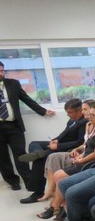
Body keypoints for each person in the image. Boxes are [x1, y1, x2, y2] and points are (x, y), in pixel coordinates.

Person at [37, 101, 95, 219]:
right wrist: (79, 152)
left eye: (92, 115)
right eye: (88, 114)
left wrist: (82, 159)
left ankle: (55, 207)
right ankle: (61, 207)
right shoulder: (89, 126)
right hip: (84, 157)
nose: (88, 116)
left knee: (59, 175)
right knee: (53, 161)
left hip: (91, 162)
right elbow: (86, 145)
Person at [0, 60, 57, 190]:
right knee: (2, 157)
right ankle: (13, 181)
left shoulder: (13, 84)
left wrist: (42, 111)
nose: (1, 73)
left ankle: (29, 182)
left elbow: (26, 99)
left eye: (2, 70)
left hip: (14, 126)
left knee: (21, 154)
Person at [19, 98, 86, 204]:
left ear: (79, 111)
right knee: (34, 143)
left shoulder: (84, 122)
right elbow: (64, 133)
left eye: (70, 112)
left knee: (40, 160)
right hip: (60, 144)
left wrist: (58, 146)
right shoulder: (72, 120)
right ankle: (37, 152)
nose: (68, 115)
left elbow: (79, 142)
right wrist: (56, 140)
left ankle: (38, 193)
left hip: (68, 148)